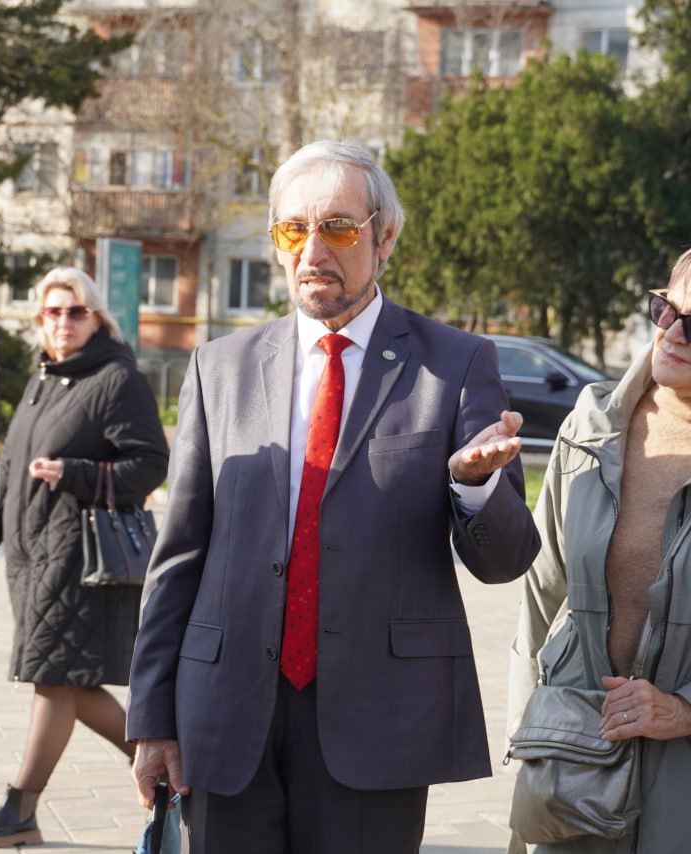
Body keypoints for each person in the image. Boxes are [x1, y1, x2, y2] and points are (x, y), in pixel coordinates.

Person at [125, 140, 542, 853]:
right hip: (226, 715)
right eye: (294, 229)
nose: (313, 248)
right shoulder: (219, 367)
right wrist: (151, 716)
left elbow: (506, 562)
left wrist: (472, 488)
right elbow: (180, 555)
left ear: (385, 238)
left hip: (376, 716)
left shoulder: (454, 363)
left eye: (339, 227)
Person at [0, 268, 169, 847]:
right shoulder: (43, 379)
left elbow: (151, 463)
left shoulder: (114, 379)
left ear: (98, 318)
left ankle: (20, 807)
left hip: (78, 559)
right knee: (67, 683)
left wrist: (76, 473)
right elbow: (10, 468)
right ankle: (174, 768)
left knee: (53, 679)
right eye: (51, 313)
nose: (62, 322)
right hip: (30, 558)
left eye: (75, 312)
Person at [507, 253, 691, 853]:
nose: (673, 333)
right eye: (667, 309)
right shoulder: (592, 424)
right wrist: (529, 742)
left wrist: (685, 711)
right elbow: (541, 596)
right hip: (576, 763)